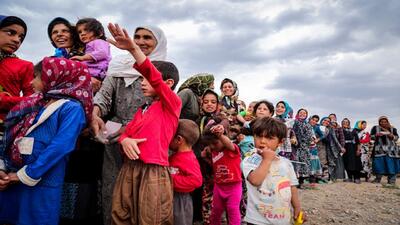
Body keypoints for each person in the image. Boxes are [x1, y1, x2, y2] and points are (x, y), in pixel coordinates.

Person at [0, 57, 92, 225]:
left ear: (57, 77)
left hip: (42, 179)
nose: (30, 82)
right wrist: (3, 168)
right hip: (11, 176)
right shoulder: (35, 102)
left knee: (36, 218)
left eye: (37, 76)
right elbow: (10, 134)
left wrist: (26, 174)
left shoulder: (71, 108)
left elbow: (61, 146)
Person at [91, 24, 167, 225]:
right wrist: (95, 113)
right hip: (115, 138)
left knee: (142, 192)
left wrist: (132, 128)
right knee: (113, 186)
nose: (141, 41)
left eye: (147, 38)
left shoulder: (162, 70)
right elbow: (104, 96)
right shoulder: (118, 65)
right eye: (137, 36)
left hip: (146, 141)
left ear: (158, 43)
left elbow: (162, 109)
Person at [107, 22, 180, 224]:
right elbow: (125, 132)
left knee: (151, 217)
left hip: (153, 171)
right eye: (141, 79)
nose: (142, 82)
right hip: (129, 169)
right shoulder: (143, 109)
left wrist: (133, 48)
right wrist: (124, 140)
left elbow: (154, 77)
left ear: (168, 84)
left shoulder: (171, 104)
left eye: (145, 79)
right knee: (121, 214)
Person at [242, 117, 302, 225]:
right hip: (257, 220)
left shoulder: (286, 163)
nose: (263, 141)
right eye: (259, 136)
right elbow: (255, 181)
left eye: (269, 138)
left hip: (282, 218)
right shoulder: (250, 160)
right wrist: (267, 159)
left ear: (280, 142)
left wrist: (297, 207)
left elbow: (292, 187)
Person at [202, 122, 242, 225]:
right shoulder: (214, 152)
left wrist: (220, 135)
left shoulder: (232, 150)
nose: (212, 146)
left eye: (215, 143)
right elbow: (215, 165)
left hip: (234, 186)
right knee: (215, 211)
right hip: (219, 187)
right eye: (209, 144)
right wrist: (205, 157)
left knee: (232, 210)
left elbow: (228, 143)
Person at [0, 15, 34, 126]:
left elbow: (33, 101)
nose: (16, 40)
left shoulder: (25, 66)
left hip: (6, 127)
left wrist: (3, 100)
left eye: (21, 37)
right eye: (10, 33)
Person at [169, 119, 203, 225]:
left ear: (179, 139)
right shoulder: (175, 156)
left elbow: (196, 180)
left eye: (170, 136)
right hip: (172, 197)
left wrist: (169, 179)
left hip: (181, 201)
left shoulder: (188, 158)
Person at [72, 18, 111, 93]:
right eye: (80, 32)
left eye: (87, 30)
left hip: (97, 75)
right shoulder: (89, 45)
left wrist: (82, 58)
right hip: (92, 76)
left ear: (99, 33)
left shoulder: (99, 41)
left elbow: (103, 53)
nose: (82, 33)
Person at [370, 116, 399, 185]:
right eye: (381, 122)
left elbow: (396, 138)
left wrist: (391, 135)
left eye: (385, 122)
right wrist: (376, 135)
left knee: (391, 165)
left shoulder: (393, 129)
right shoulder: (375, 128)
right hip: (379, 150)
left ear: (387, 122)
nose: (383, 123)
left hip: (391, 150)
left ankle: (391, 180)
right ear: (379, 122)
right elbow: (371, 137)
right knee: (378, 165)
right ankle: (378, 179)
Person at [292, 108, 313, 188]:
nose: (302, 114)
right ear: (298, 113)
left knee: (303, 163)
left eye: (304, 113)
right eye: (300, 112)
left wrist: (303, 143)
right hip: (294, 145)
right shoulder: (294, 122)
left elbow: (309, 135)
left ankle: (301, 181)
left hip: (304, 147)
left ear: (306, 115)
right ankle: (294, 180)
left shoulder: (308, 124)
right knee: (295, 162)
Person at [341, 118, 362, 184]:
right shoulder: (340, 130)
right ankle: (350, 177)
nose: (345, 123)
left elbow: (358, 141)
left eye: (347, 122)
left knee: (356, 162)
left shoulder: (353, 130)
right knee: (347, 162)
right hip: (345, 148)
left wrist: (358, 150)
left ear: (349, 123)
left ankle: (357, 178)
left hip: (353, 147)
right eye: (344, 122)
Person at [308, 115, 323, 184]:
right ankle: (305, 178)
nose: (314, 121)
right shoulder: (305, 125)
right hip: (305, 146)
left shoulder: (316, 127)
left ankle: (312, 179)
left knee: (313, 162)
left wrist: (318, 139)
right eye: (313, 119)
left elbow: (322, 135)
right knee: (306, 161)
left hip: (313, 146)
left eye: (316, 121)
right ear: (310, 119)